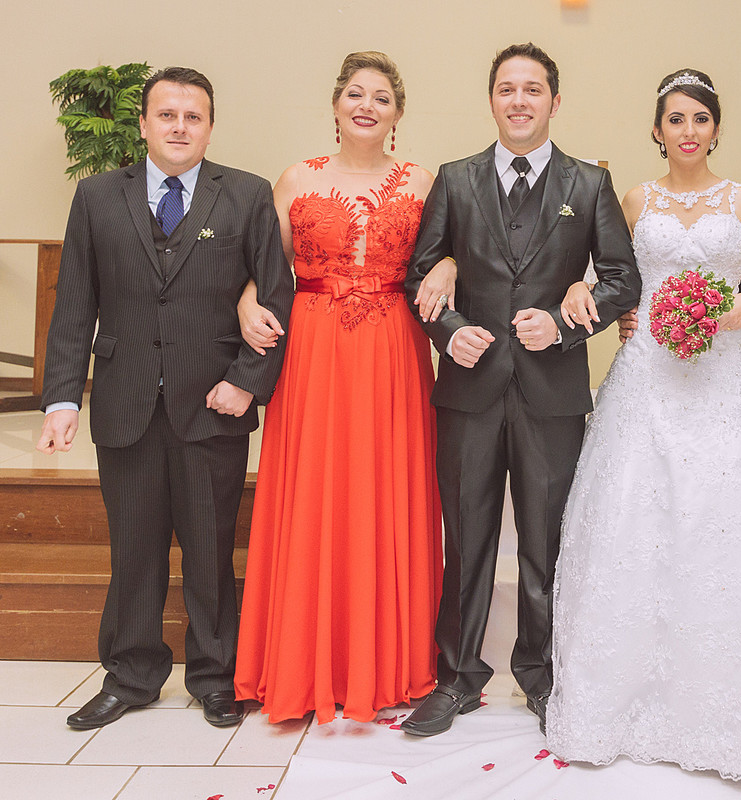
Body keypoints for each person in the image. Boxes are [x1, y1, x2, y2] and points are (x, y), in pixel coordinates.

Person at [547, 69, 741, 781]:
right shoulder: (635, 197)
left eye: (700, 119)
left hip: (723, 372)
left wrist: (740, 311)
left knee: (725, 517)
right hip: (648, 373)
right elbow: (613, 272)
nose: (688, 131)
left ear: (714, 128)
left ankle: (732, 711)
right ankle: (624, 702)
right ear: (657, 129)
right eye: (675, 119)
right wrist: (611, 305)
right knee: (633, 519)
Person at [38, 67, 293, 730]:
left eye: (194, 116)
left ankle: (215, 676)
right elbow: (74, 304)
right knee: (135, 550)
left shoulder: (245, 195)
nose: (181, 127)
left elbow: (275, 296)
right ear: (144, 124)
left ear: (210, 125)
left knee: (210, 551)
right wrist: (61, 399)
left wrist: (246, 382)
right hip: (124, 404)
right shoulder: (96, 197)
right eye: (168, 115)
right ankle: (132, 674)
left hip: (212, 404)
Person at [398, 43, 641, 737]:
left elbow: (623, 277)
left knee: (547, 543)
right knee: (466, 541)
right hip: (469, 392)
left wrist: (566, 326)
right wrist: (449, 331)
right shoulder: (455, 178)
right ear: (492, 99)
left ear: (554, 102)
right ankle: (457, 678)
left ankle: (541, 677)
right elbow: (419, 274)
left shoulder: (588, 185)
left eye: (533, 89)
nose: (520, 100)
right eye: (507, 88)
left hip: (552, 394)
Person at [232, 51, 449, 724]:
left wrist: (450, 264)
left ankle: (384, 661)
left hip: (393, 345)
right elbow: (262, 265)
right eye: (356, 94)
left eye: (381, 98)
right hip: (315, 343)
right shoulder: (297, 178)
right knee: (316, 488)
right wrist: (245, 302)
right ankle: (303, 662)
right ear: (334, 106)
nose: (367, 105)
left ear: (398, 114)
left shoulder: (427, 180)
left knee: (385, 487)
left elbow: (459, 246)